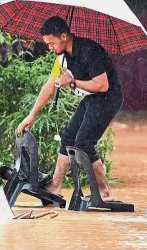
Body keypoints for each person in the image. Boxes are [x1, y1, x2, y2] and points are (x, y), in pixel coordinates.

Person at [17, 16, 123, 201]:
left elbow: (102, 85)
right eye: (47, 44)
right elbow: (50, 85)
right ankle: (55, 186)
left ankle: (106, 192)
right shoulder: (63, 57)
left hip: (108, 97)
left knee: (83, 142)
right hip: (92, 98)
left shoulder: (90, 51)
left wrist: (72, 81)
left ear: (64, 36)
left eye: (51, 43)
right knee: (68, 138)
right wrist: (31, 115)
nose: (49, 48)